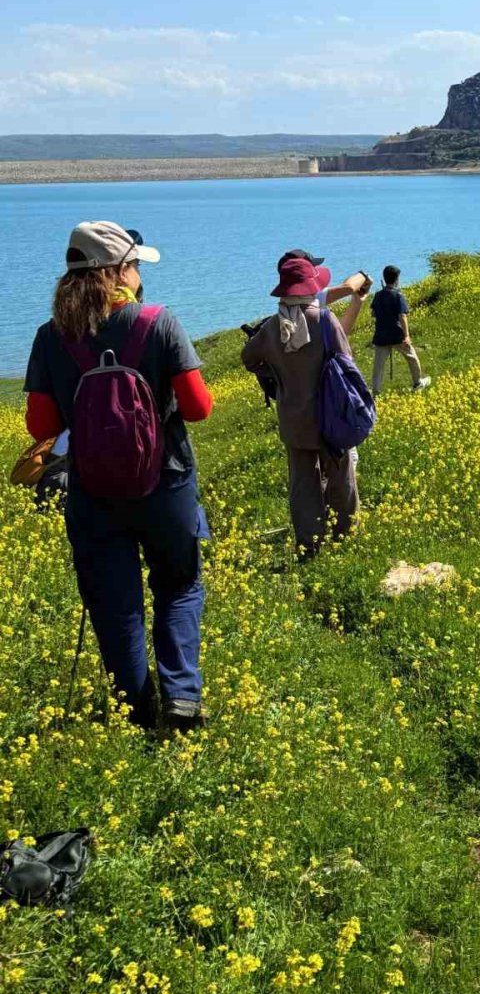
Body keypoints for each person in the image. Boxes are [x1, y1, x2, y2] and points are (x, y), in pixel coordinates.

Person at [23, 222, 213, 732]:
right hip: (166, 481)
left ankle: (136, 710)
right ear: (118, 271)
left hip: (92, 489)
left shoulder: (49, 336)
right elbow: (198, 409)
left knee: (114, 602)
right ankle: (181, 697)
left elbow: (41, 426)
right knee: (178, 585)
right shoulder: (158, 321)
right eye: (134, 265)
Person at [241, 256, 369, 557]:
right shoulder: (324, 319)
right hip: (330, 415)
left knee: (302, 483)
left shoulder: (272, 327)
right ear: (311, 286)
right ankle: (345, 536)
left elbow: (249, 358)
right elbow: (345, 361)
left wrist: (276, 373)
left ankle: (308, 544)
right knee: (340, 476)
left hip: (292, 418)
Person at [370, 266, 432, 395]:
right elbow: (402, 316)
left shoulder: (378, 295)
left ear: (384, 278)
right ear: (397, 279)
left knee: (378, 366)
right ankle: (417, 383)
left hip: (381, 335)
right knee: (412, 358)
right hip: (397, 335)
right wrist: (407, 336)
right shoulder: (398, 295)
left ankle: (375, 392)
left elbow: (373, 314)